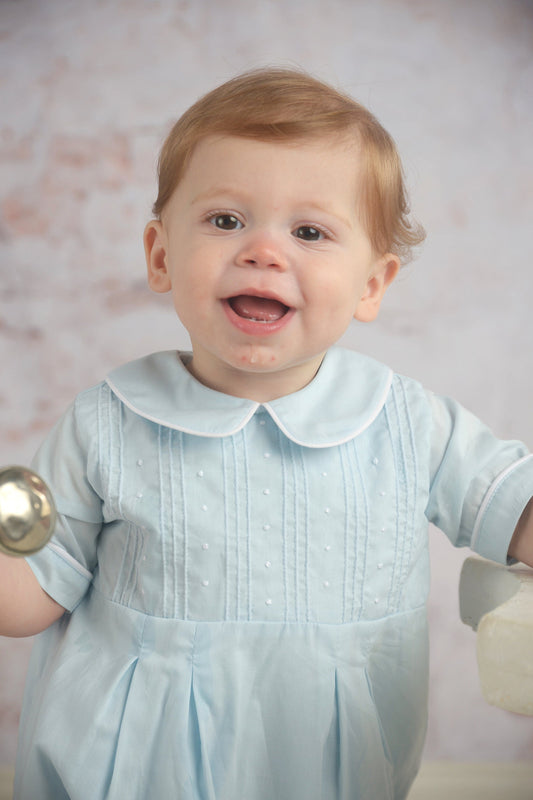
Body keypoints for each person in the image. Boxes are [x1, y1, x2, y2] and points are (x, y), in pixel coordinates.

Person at [2, 67, 533, 800]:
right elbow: (28, 598)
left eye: (309, 231)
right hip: (126, 775)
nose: (263, 251)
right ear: (160, 255)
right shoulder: (108, 422)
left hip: (326, 770)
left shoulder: (407, 425)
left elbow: (510, 503)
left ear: (372, 284)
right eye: (225, 220)